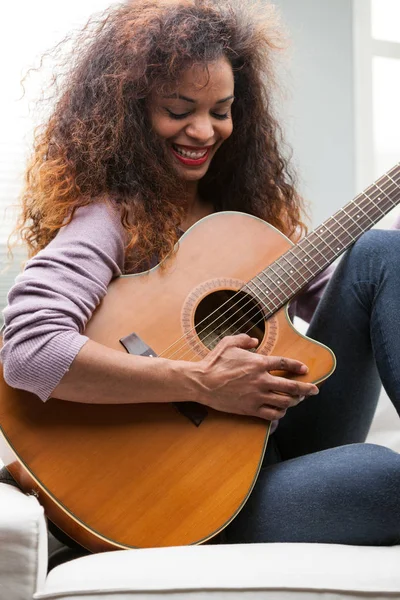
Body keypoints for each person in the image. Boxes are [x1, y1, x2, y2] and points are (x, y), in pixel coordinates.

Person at [1, 0, 399, 561]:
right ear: (131, 111)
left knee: (383, 251)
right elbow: (29, 350)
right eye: (179, 109)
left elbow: (362, 293)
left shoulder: (243, 219)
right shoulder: (110, 217)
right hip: (183, 495)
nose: (203, 130)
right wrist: (201, 382)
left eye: (221, 110)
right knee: (383, 476)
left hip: (275, 444)